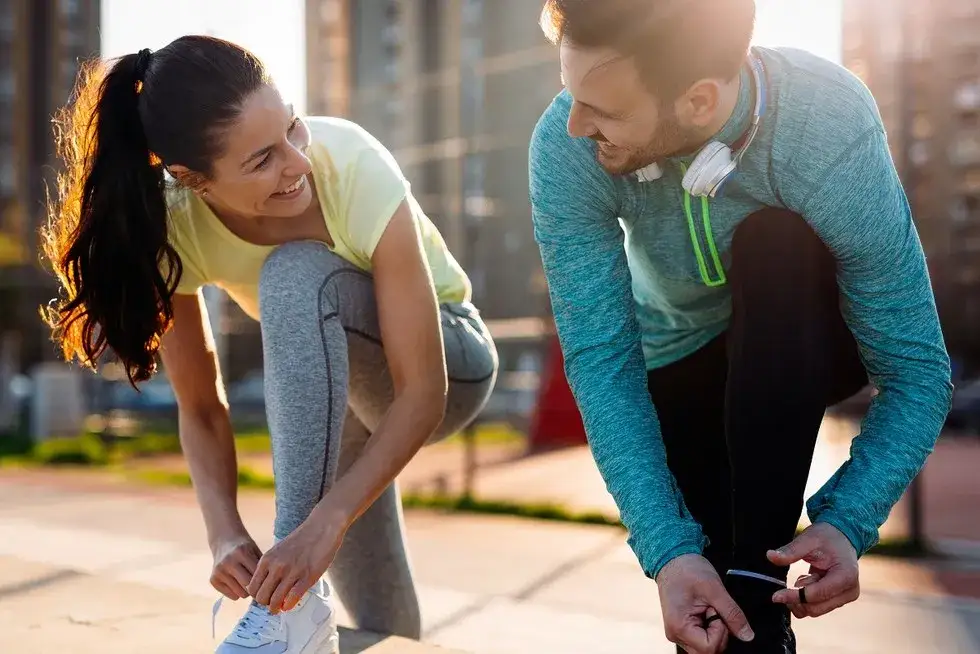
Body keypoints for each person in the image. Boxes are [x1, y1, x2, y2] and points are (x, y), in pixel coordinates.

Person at [41, 35, 498, 654]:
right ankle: (305, 616)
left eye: (292, 128)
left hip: (449, 363)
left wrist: (323, 522)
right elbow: (202, 407)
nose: (297, 163)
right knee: (379, 621)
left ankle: (286, 608)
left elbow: (423, 392)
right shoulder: (173, 227)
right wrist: (224, 533)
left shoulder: (351, 163)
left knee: (294, 271)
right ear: (191, 180)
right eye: (262, 160)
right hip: (340, 397)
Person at [527, 1, 952, 653]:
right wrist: (668, 551)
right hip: (678, 358)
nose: (574, 125)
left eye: (602, 109)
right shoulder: (565, 147)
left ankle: (759, 579)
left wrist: (848, 519)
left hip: (807, 338)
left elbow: (917, 371)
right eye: (571, 94)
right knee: (712, 613)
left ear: (698, 101)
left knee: (775, 239)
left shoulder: (825, 123)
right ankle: (751, 616)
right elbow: (603, 364)